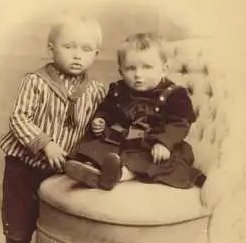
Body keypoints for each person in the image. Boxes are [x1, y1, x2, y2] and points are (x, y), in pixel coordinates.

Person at [0, 12, 106, 243]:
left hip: (61, 171)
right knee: (19, 220)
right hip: (25, 166)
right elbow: (18, 117)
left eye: (86, 50)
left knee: (57, 220)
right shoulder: (35, 81)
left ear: (95, 54)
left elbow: (102, 120)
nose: (77, 56)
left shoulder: (97, 91)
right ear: (51, 48)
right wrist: (44, 143)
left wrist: (100, 124)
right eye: (69, 46)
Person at [65, 32, 206, 191]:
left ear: (164, 69)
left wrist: (164, 143)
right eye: (130, 68)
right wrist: (101, 119)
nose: (138, 75)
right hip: (122, 140)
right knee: (97, 145)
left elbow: (179, 123)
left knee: (152, 161)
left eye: (147, 67)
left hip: (151, 144)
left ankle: (118, 174)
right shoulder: (119, 90)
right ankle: (92, 168)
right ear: (120, 71)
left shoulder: (174, 94)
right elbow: (107, 110)